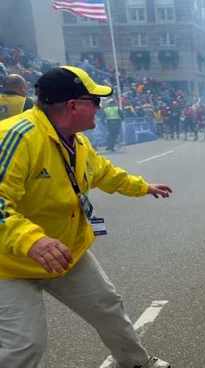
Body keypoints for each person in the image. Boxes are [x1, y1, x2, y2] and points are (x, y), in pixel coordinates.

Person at [0, 66, 172, 368]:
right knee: (25, 345)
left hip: (66, 251)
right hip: (9, 265)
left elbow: (104, 172)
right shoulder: (17, 137)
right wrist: (31, 240)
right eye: (95, 100)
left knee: (108, 306)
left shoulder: (77, 141)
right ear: (73, 105)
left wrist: (143, 187)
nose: (99, 108)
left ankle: (134, 362)